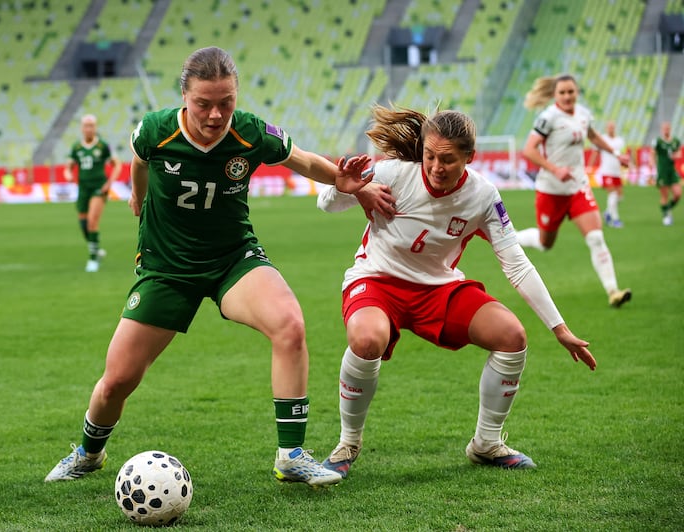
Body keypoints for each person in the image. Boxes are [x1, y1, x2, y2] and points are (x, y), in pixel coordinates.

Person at [44, 46, 386, 487]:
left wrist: (338, 178)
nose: (215, 114)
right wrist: (137, 195)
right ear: (185, 97)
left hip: (232, 259)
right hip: (166, 268)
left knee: (289, 324)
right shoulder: (155, 129)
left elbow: (301, 159)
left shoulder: (249, 133)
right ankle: (89, 453)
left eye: (226, 102)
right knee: (117, 381)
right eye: (204, 103)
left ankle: (291, 455)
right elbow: (139, 160)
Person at [316, 105, 597, 480]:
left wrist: (559, 328)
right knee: (367, 340)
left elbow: (516, 262)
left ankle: (486, 444)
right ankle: (348, 443)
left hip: (437, 289)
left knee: (511, 336)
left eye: (447, 159)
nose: (435, 167)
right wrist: (352, 187)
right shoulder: (392, 173)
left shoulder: (483, 196)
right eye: (430, 156)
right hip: (377, 281)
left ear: (470, 157)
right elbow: (326, 203)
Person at [516, 74, 632, 308]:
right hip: (550, 190)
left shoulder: (583, 114)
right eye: (562, 93)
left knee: (596, 237)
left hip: (577, 187)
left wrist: (615, 153)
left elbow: (593, 136)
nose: (567, 96)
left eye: (571, 92)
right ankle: (513, 238)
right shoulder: (548, 118)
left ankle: (613, 291)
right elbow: (528, 150)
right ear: (555, 95)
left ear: (577, 92)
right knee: (544, 243)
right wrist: (555, 169)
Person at [64, 114, 121, 272]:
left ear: (95, 128)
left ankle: (93, 259)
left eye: (92, 125)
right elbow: (68, 166)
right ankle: (97, 250)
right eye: (86, 125)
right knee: (83, 223)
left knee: (92, 222)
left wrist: (109, 183)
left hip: (99, 187)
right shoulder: (76, 147)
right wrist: (68, 174)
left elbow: (117, 165)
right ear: (82, 128)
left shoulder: (103, 146)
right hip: (83, 188)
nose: (89, 128)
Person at [589, 120, 628, 228]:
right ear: (606, 128)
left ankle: (608, 213)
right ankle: (615, 220)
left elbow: (623, 154)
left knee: (620, 197)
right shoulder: (603, 139)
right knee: (613, 194)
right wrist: (589, 166)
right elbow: (595, 153)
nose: (611, 129)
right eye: (609, 127)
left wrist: (626, 163)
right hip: (605, 171)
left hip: (616, 172)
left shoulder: (620, 140)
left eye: (612, 127)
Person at [650, 121, 682, 226]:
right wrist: (653, 168)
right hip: (662, 171)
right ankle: (666, 216)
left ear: (670, 129)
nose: (666, 130)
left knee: (678, 194)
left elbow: (679, 153)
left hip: (672, 171)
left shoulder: (675, 141)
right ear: (661, 130)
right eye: (664, 128)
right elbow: (652, 154)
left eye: (668, 128)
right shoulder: (658, 142)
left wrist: (675, 156)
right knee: (665, 195)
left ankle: (667, 208)